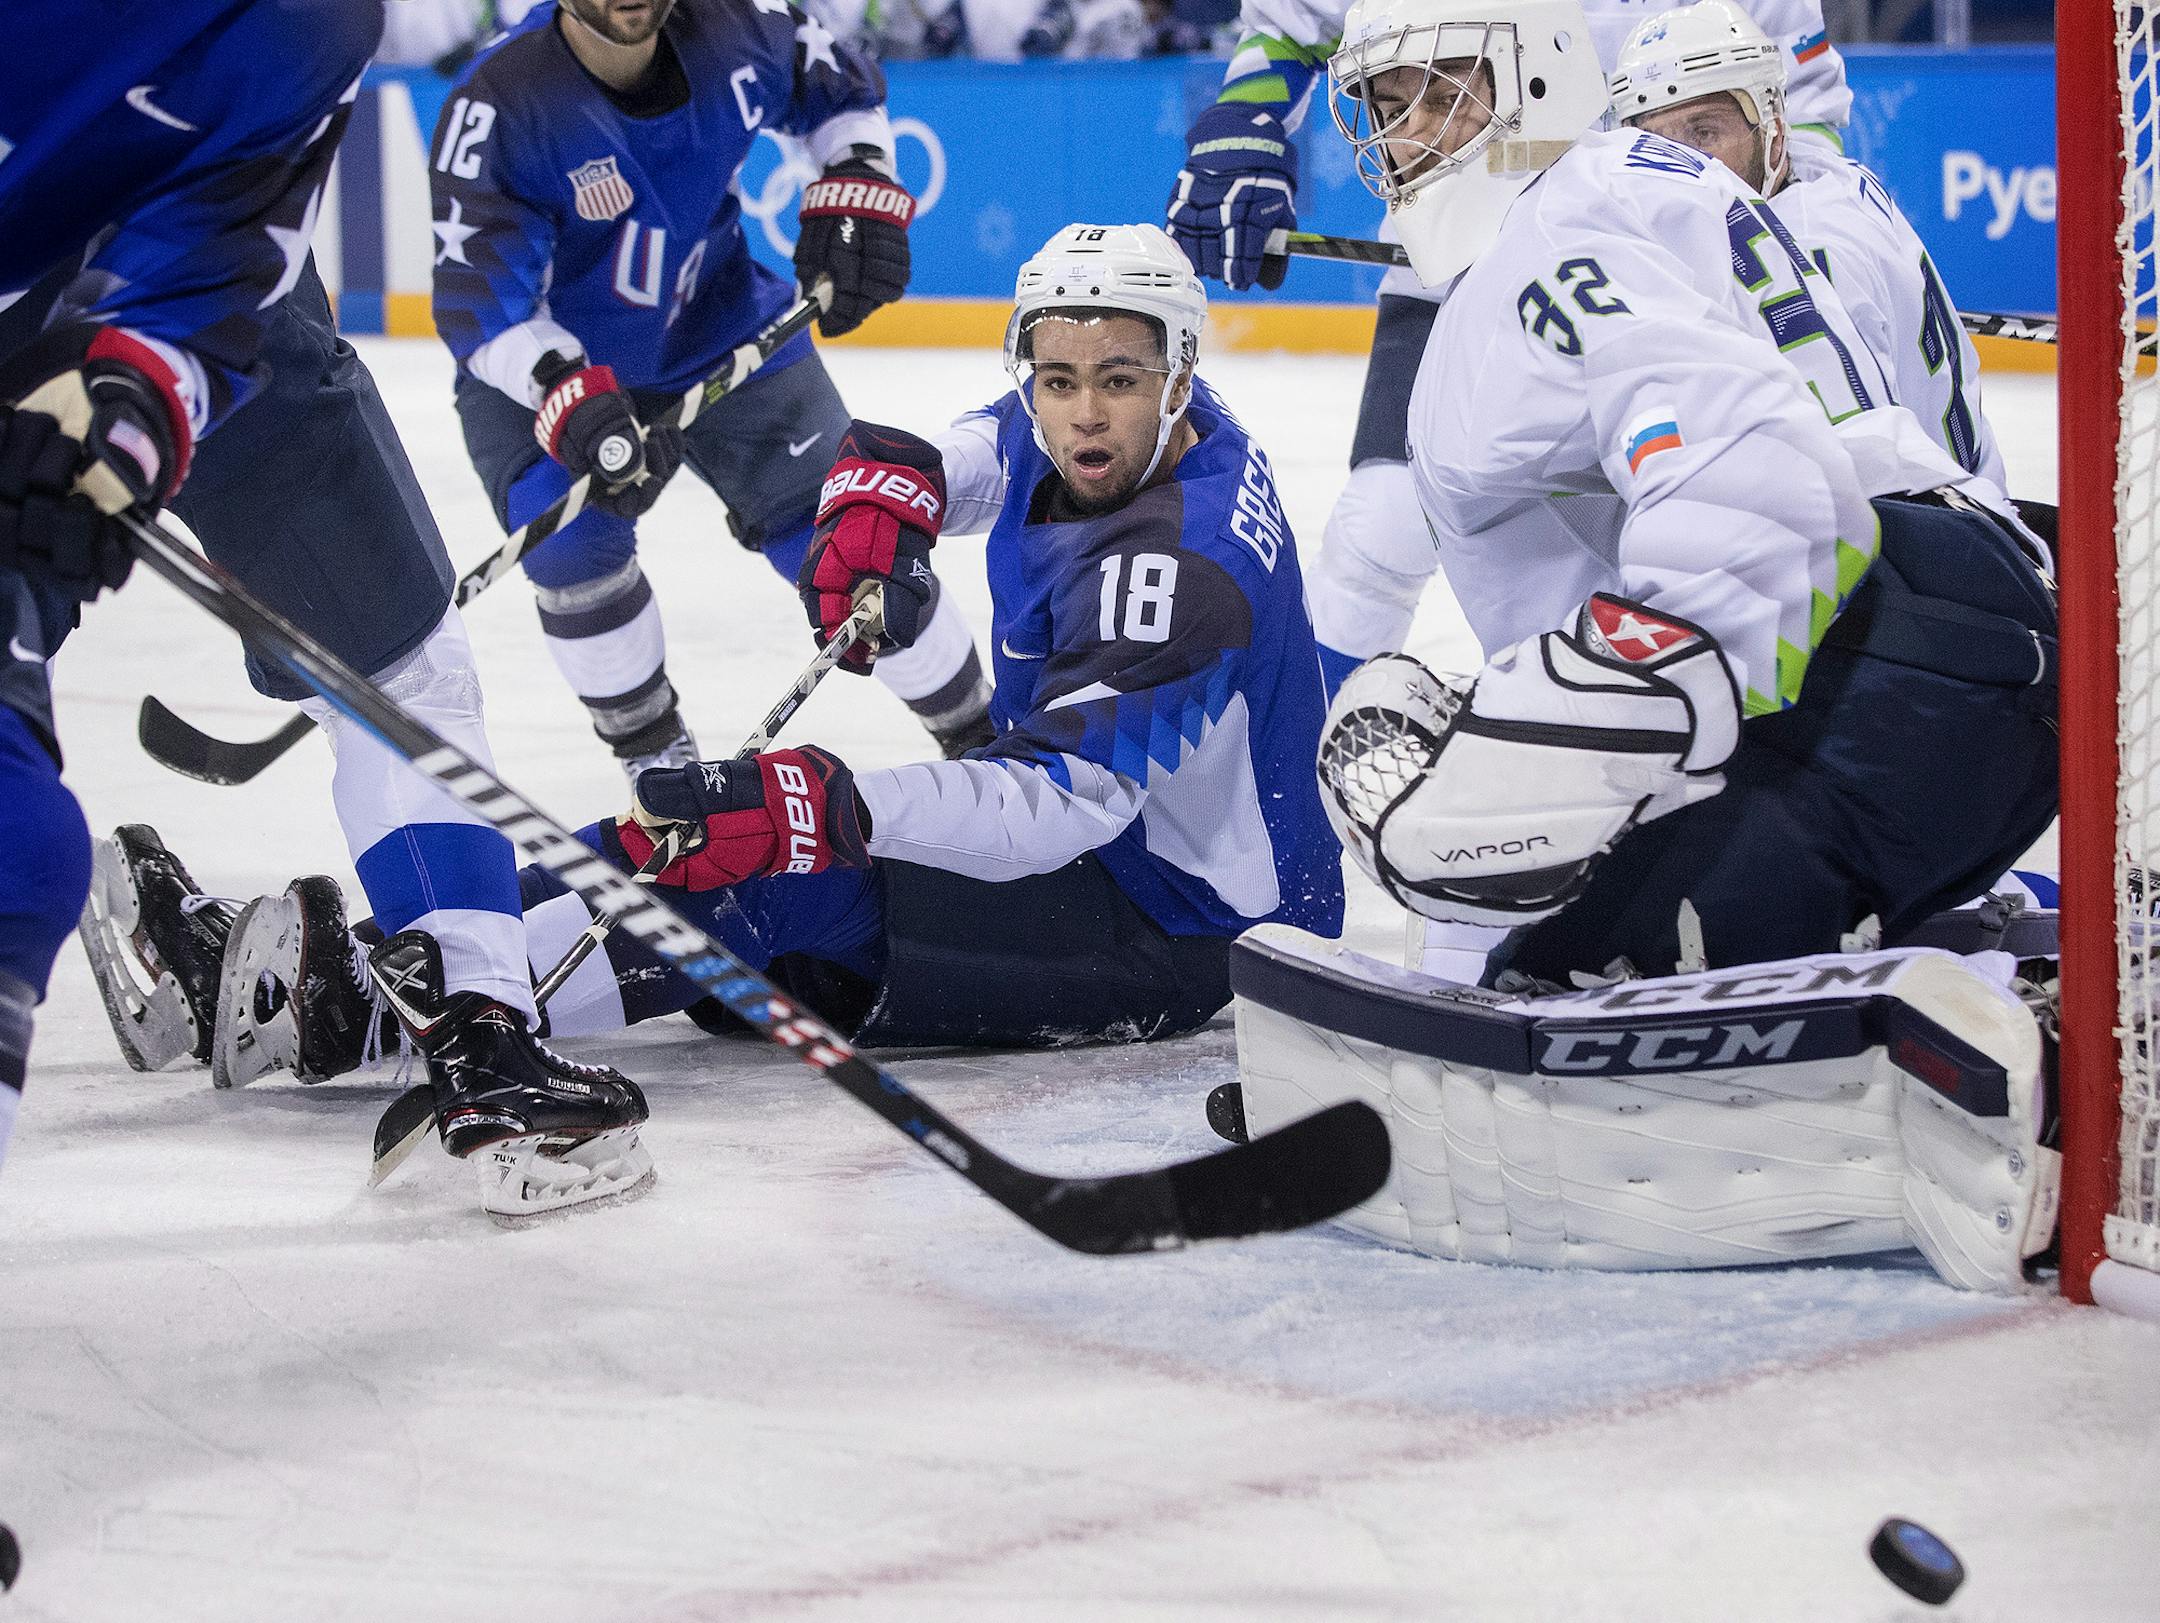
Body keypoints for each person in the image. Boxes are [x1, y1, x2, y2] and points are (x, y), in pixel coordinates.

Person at [1227, 0, 2058, 1294]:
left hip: (1884, 670)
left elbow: (1761, 503)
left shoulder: (1560, 224)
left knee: (1419, 782)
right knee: (1502, 815)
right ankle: (1960, 956)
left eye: (1440, 93)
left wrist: (1513, 808)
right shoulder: (1669, 189)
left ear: (1543, 76)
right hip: (1961, 657)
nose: (1404, 138)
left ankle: (1793, 978)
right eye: (1386, 108)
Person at [178, 224, 1343, 1088]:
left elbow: (1056, 808)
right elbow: (980, 442)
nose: (1085, 413)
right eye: (1061, 378)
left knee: (768, 871)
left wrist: (829, 808)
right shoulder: (1151, 425)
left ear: (1178, 376)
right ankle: (388, 948)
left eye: (1120, 382)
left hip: (1193, 926)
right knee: (685, 833)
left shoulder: (1178, 580)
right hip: (1123, 855)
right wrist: (890, 489)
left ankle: (359, 1017)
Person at [0, 1, 608, 1196]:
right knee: (19, 849)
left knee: (398, 661)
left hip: (195, 332)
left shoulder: (308, 19)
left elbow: (218, 253)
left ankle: (480, 1024)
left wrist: (132, 413)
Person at [1165, 0, 1855, 694]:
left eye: (1438, 99)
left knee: (1679, 513)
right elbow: (1297, 19)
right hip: (1456, 253)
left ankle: (1650, 720)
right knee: (1381, 525)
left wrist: (1766, 245)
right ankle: (1301, 766)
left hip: (1660, 272)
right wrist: (1245, 122)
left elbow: (1793, 115)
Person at [431, 0, 993, 781]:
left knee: (848, 526)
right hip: (545, 372)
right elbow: (483, 310)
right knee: (573, 550)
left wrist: (859, 174)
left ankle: (983, 741)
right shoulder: (498, 106)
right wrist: (571, 395)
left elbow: (834, 89)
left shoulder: (741, 20)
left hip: (717, 324)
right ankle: (656, 764)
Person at [1608, 0, 2006, 491]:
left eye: (1705, 132)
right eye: (1654, 145)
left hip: (1927, 544)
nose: (1681, 167)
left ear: (1774, 130)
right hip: (1971, 517)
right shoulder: (1839, 187)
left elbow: (1862, 497)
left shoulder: (1796, 266)